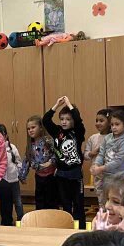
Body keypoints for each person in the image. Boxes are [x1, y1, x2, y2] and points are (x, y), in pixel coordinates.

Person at [42, 96, 87, 227]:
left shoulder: (78, 132)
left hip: (75, 174)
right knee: (65, 203)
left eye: (68, 119)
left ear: (73, 120)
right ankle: (68, 227)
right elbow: (46, 120)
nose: (64, 122)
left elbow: (78, 120)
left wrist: (69, 104)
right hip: (61, 174)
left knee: (78, 203)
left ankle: (81, 229)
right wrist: (56, 105)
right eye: (62, 119)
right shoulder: (57, 131)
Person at [91, 108, 124, 198]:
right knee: (103, 199)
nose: (114, 127)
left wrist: (101, 168)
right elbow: (101, 154)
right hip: (105, 176)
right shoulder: (107, 138)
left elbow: (118, 161)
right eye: (112, 124)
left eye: (117, 124)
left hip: (118, 176)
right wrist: (96, 165)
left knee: (116, 199)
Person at [22, 115, 58, 210]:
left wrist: (50, 162)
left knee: (51, 201)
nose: (30, 130)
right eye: (28, 129)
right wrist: (23, 175)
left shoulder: (48, 141)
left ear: (41, 128)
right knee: (39, 201)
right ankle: (40, 217)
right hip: (39, 176)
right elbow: (27, 160)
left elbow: (57, 153)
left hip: (50, 176)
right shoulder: (30, 144)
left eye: (33, 127)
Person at [0, 123, 25, 226]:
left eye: (1, 135)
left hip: (14, 180)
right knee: (4, 203)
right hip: (1, 181)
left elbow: (19, 162)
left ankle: (21, 220)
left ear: (5, 135)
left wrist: (20, 174)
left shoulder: (12, 147)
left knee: (18, 202)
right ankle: (5, 221)